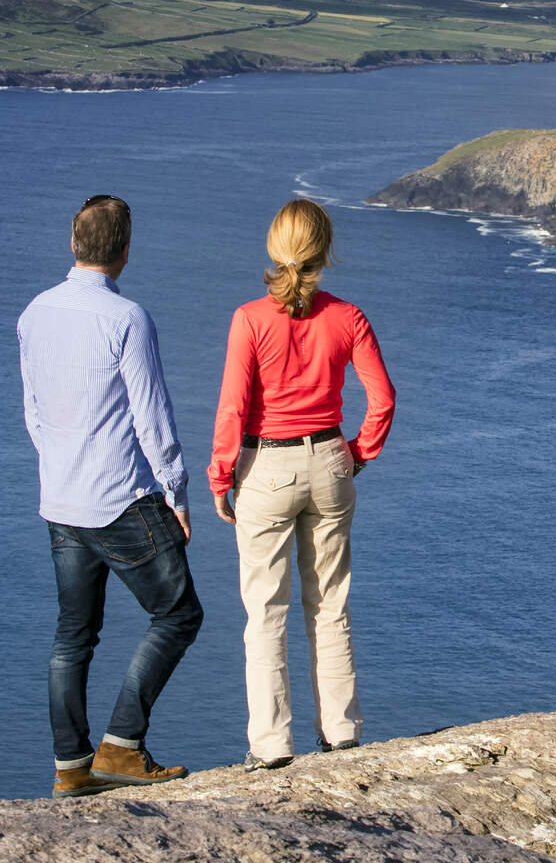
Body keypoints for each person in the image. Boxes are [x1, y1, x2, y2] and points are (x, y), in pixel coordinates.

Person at [17, 194, 203, 798]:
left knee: (74, 635)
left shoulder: (34, 314)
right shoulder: (127, 320)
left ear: (72, 245)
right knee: (178, 614)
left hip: (60, 498)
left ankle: (70, 767)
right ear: (125, 253)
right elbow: (153, 418)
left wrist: (59, 467)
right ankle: (122, 746)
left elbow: (34, 413)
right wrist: (176, 490)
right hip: (121, 496)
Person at [209, 198, 396, 771]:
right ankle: (340, 733)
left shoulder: (249, 318)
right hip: (331, 460)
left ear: (275, 248)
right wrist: (357, 455)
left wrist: (220, 476)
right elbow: (382, 399)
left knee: (266, 612)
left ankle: (271, 747)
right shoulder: (349, 317)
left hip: (266, 467)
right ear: (324, 250)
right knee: (330, 604)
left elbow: (233, 409)